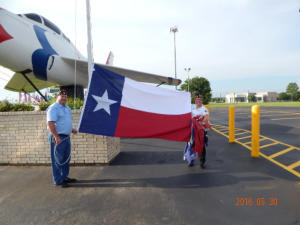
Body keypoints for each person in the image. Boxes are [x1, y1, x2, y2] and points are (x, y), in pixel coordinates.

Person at [47, 90, 78, 188]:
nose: (64, 98)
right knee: (57, 160)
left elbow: (64, 121)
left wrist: (71, 129)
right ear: (57, 97)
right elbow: (50, 123)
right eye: (62, 96)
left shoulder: (67, 108)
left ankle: (64, 177)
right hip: (58, 138)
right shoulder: (53, 108)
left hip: (66, 137)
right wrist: (56, 137)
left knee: (66, 159)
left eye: (65, 96)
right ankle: (58, 180)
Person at [190, 92, 210, 168]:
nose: (198, 102)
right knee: (191, 145)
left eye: (200, 100)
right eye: (197, 100)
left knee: (201, 146)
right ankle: (190, 160)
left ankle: (202, 162)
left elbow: (206, 117)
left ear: (202, 101)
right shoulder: (192, 107)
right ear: (195, 101)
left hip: (201, 130)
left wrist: (201, 122)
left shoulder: (204, 108)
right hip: (192, 129)